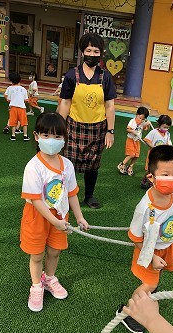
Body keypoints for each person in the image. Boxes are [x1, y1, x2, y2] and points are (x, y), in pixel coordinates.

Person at [20, 112, 90, 312]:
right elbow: (35, 200)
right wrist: (54, 221)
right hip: (38, 217)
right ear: (36, 136)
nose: (52, 140)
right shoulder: (33, 166)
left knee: (54, 251)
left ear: (64, 139)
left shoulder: (67, 165)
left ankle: (49, 278)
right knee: (37, 255)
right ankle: (36, 286)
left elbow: (72, 193)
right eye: (46, 135)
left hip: (60, 216)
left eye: (58, 136)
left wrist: (79, 217)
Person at [118, 145, 173, 333]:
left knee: (155, 278)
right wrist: (153, 256)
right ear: (151, 177)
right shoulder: (145, 208)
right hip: (149, 250)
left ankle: (149, 293)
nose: (172, 180)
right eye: (165, 174)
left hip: (168, 245)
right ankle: (129, 312)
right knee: (150, 283)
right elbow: (135, 237)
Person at [57, 33, 117, 209]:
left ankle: (89, 196)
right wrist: (59, 127)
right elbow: (65, 102)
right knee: (69, 163)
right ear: (82, 52)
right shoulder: (71, 75)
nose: (92, 54)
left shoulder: (105, 77)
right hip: (73, 126)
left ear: (101, 53)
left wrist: (110, 131)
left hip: (98, 128)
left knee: (93, 165)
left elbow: (110, 106)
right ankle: (68, 194)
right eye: (88, 50)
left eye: (96, 51)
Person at [140, 115, 173, 189]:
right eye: (164, 127)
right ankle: (145, 179)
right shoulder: (154, 132)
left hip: (161, 155)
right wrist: (153, 147)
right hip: (152, 154)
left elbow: (168, 143)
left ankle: (152, 182)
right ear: (159, 124)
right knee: (149, 169)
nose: (166, 129)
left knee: (156, 169)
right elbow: (147, 140)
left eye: (167, 128)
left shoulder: (167, 134)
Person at [117, 107, 151, 177]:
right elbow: (128, 129)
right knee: (131, 154)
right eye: (140, 118)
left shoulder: (142, 123)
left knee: (136, 155)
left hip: (137, 141)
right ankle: (122, 164)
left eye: (143, 119)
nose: (141, 120)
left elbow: (146, 129)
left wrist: (148, 124)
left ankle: (130, 167)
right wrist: (133, 131)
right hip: (131, 139)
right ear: (136, 115)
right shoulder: (132, 121)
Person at [4, 71, 30, 141]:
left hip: (13, 107)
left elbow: (7, 98)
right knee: (24, 122)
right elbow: (26, 100)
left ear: (11, 80)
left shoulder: (9, 88)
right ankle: (25, 135)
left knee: (13, 121)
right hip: (22, 108)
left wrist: (11, 102)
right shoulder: (23, 89)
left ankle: (13, 135)